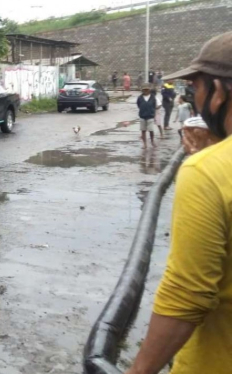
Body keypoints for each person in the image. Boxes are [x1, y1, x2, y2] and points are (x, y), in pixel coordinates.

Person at [125, 31, 232, 374]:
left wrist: (140, 369)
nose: (194, 99)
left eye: (195, 89)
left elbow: (188, 294)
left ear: (218, 92)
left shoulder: (207, 171)